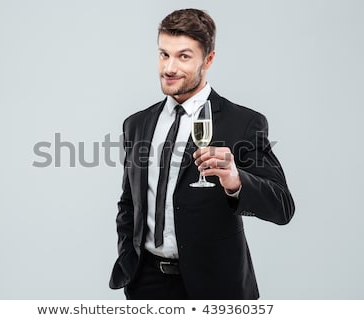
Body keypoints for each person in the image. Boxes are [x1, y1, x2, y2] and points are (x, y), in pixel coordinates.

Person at [109, 8, 295, 300]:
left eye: (183, 56)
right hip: (145, 284)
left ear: (208, 60)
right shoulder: (137, 124)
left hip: (215, 286)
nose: (169, 68)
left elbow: (282, 207)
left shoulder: (242, 123)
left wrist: (236, 181)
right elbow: (129, 202)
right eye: (163, 54)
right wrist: (129, 259)